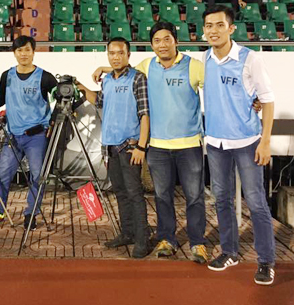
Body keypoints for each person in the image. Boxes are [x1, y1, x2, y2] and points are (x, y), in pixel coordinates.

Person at [91, 23, 209, 264]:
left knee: (194, 196)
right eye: (157, 40)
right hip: (158, 145)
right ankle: (167, 239)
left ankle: (197, 242)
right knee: (162, 196)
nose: (162, 45)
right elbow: (124, 70)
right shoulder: (147, 66)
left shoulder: (194, 66)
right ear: (152, 44)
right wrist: (104, 67)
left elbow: (217, 90)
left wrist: (252, 100)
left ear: (176, 41)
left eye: (167, 39)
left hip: (188, 144)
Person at [202, 5, 276, 286]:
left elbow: (267, 100)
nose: (214, 30)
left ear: (231, 28)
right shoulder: (205, 57)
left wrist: (265, 142)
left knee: (256, 202)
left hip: (247, 142)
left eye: (219, 25)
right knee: (221, 199)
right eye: (209, 25)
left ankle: (266, 261)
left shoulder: (250, 58)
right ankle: (229, 252)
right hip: (215, 142)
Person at [76, 38, 151, 259]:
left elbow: (145, 113)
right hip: (110, 146)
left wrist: (141, 146)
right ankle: (127, 233)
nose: (115, 57)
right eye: (111, 53)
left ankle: (142, 240)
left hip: (130, 146)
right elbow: (99, 101)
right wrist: (81, 87)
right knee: (120, 192)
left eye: (120, 53)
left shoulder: (138, 78)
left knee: (135, 193)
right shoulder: (107, 80)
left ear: (128, 55)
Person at [0, 36, 57, 230]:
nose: (23, 54)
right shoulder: (7, 76)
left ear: (33, 52)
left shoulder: (45, 77)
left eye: (27, 50)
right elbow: (1, 99)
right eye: (19, 50)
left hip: (36, 136)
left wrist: (53, 121)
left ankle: (31, 214)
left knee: (37, 176)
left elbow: (61, 98)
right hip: (12, 135)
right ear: (14, 53)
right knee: (3, 174)